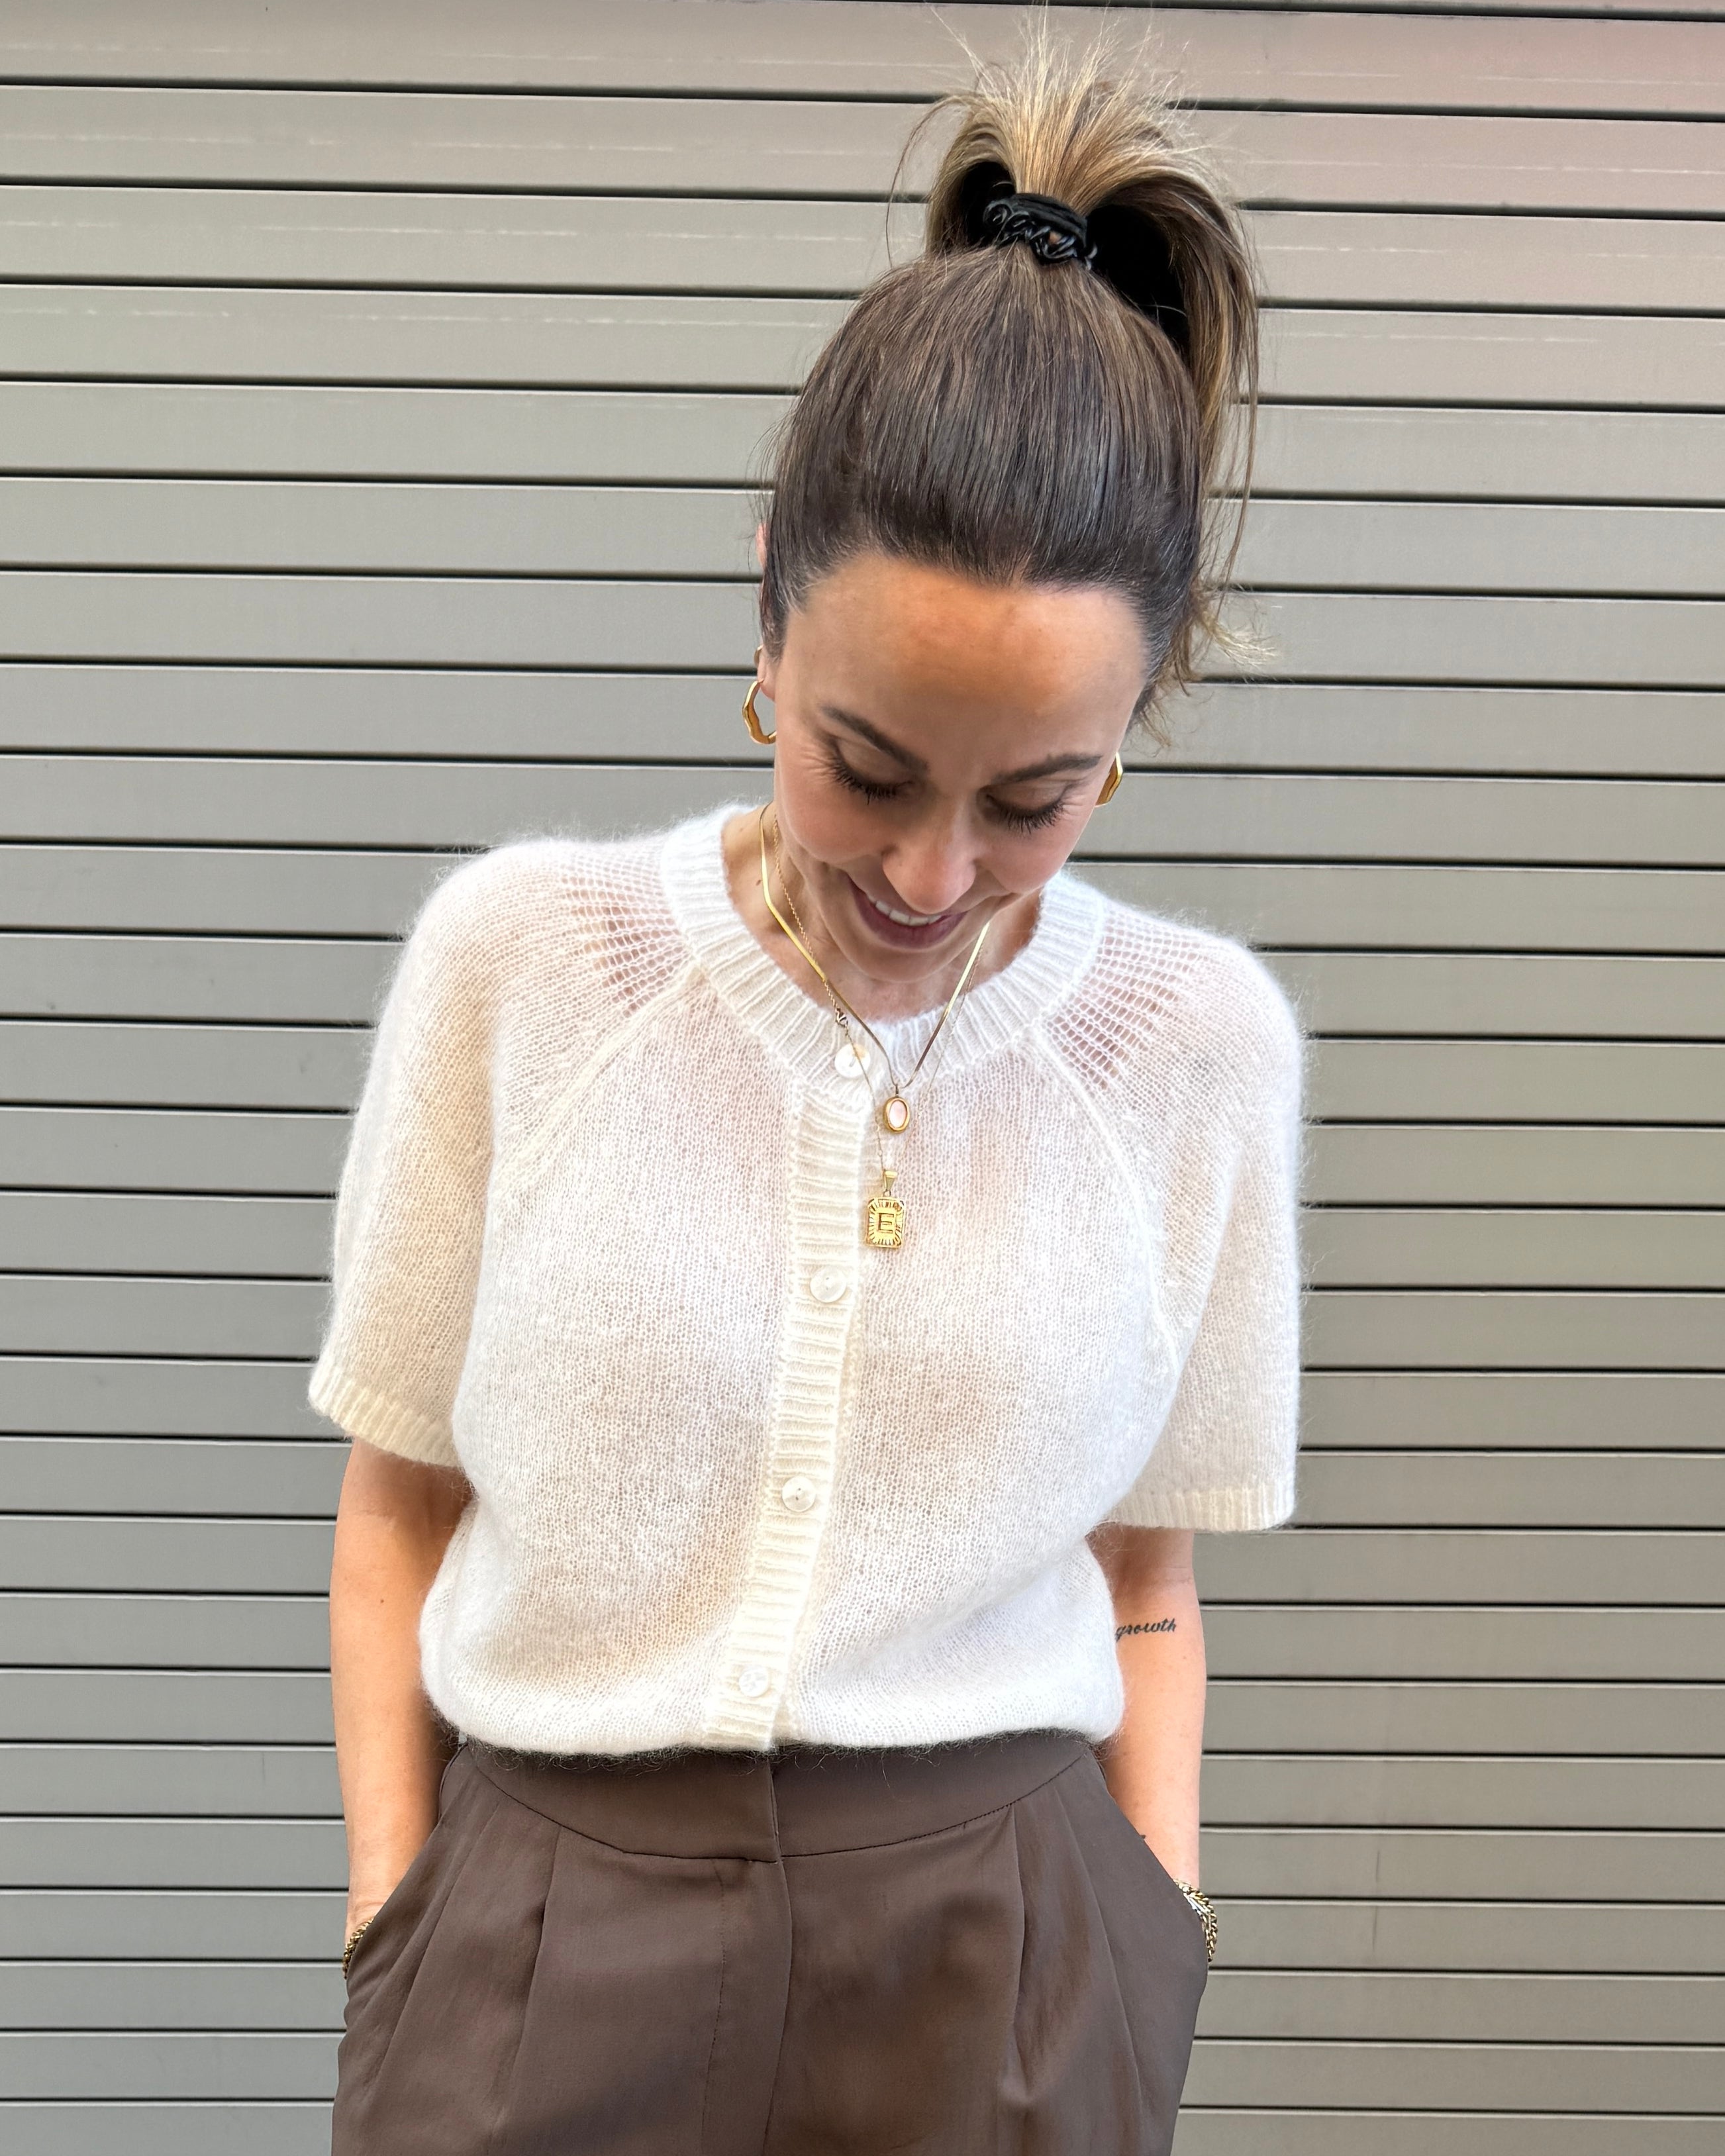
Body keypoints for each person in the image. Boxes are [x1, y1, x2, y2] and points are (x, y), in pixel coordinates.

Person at [315, 39, 1301, 2156]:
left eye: (1035, 800)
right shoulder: (523, 965)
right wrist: (399, 1915)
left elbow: (1149, 1584)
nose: (932, 877)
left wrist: (1155, 1934)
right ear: (768, 600)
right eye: (867, 764)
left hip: (1004, 1962)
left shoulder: (1199, 1053)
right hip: (542, 1935)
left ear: (1140, 715)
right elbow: (395, 1507)